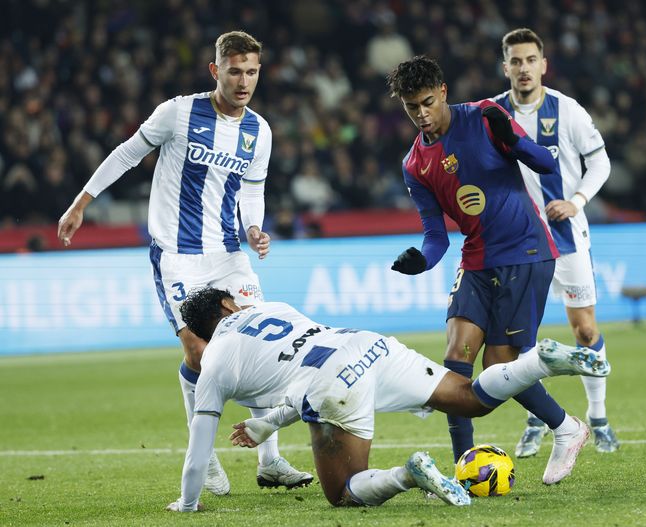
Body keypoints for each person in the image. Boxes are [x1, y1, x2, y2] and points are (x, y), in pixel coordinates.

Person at [56, 31, 312, 494]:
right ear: (215, 71)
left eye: (251, 72)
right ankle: (205, 454)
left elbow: (252, 190)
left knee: (257, 348)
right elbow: (129, 152)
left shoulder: (260, 130)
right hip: (177, 257)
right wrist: (81, 202)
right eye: (234, 71)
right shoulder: (178, 112)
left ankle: (269, 461)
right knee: (198, 351)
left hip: (228, 254)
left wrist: (254, 228)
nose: (243, 81)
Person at [165, 287, 609, 511]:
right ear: (228, 304)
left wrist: (187, 503)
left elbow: (198, 447)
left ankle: (408, 475)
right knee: (470, 396)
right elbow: (299, 368)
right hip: (367, 345)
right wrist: (267, 424)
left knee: (341, 492)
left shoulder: (215, 364)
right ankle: (541, 363)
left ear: (203, 331)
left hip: (332, 383)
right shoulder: (273, 307)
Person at [386, 56, 593, 472]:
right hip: (476, 259)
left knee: (500, 367)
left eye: (427, 102)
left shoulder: (485, 116)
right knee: (456, 359)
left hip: (526, 252)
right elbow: (436, 236)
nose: (421, 114)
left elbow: (548, 165)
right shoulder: (414, 165)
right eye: (412, 107)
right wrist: (421, 261)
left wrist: (513, 142)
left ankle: (566, 427)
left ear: (443, 91)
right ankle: (464, 464)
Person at [491, 28, 619, 456]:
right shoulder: (491, 113)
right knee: (523, 339)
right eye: (515, 60)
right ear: (505, 65)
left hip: (565, 236)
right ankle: (538, 419)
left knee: (584, 329)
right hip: (516, 244)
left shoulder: (567, 110)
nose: (523, 68)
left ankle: (598, 417)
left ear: (543, 64)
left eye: (531, 60)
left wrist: (576, 200)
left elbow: (599, 161)